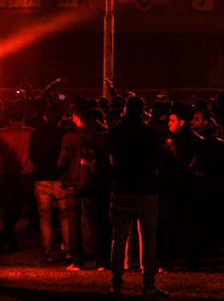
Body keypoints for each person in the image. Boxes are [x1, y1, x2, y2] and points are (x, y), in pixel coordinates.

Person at [106, 96, 165, 297]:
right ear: (142, 111)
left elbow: (110, 161)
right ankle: (148, 284)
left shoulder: (114, 134)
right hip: (146, 191)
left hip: (122, 190)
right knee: (148, 240)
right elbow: (157, 166)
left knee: (119, 239)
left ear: (124, 110)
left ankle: (116, 284)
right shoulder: (150, 135)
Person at [60, 105, 110, 271]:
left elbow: (61, 162)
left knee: (73, 222)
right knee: (95, 222)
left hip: (73, 183)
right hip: (92, 182)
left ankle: (76, 261)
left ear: (75, 117)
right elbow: (105, 161)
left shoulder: (69, 137)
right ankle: (101, 261)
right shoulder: (99, 136)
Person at [30, 104, 72, 264]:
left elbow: (32, 155)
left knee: (45, 218)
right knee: (65, 217)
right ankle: (68, 250)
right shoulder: (63, 134)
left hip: (41, 179)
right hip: (59, 178)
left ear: (44, 117)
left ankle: (48, 252)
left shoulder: (36, 134)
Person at [0, 106, 33, 253]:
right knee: (16, 209)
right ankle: (6, 242)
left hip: (7, 174)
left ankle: (7, 241)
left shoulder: (1, 134)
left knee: (8, 209)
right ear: (23, 120)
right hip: (25, 175)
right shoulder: (30, 133)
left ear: (10, 120)